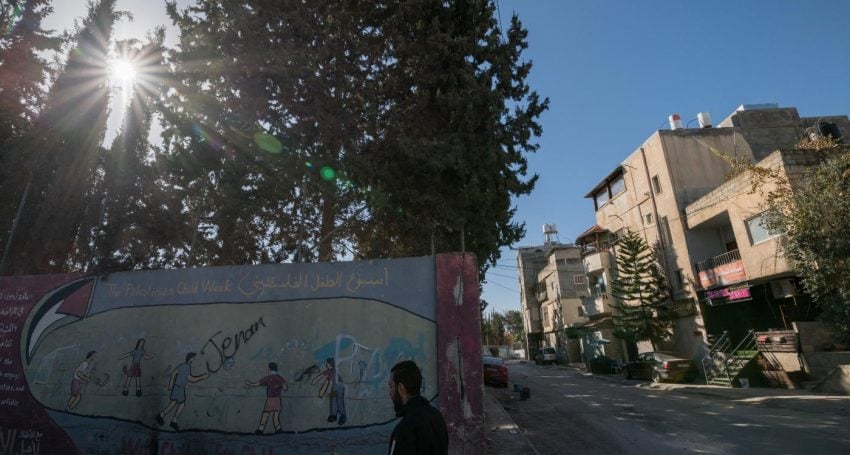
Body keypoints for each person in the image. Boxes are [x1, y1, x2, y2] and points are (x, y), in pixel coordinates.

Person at [387, 360, 448, 455]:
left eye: (391, 387)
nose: (390, 393)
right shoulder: (437, 417)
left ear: (400, 388)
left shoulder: (405, 428)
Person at [156, 352, 209, 430]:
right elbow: (191, 379)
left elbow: (174, 372)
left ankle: (172, 420)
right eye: (194, 359)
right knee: (174, 404)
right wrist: (203, 377)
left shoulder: (184, 366)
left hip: (179, 388)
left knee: (179, 404)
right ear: (190, 359)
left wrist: (171, 385)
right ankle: (163, 416)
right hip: (179, 388)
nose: (194, 360)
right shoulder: (186, 367)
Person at [245, 362, 288, 434]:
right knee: (276, 415)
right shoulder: (279, 377)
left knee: (265, 414)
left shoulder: (268, 378)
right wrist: (279, 386)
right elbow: (285, 387)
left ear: (269, 369)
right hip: (277, 399)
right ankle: (278, 429)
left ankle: (260, 429)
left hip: (270, 399)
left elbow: (256, 384)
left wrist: (249, 383)